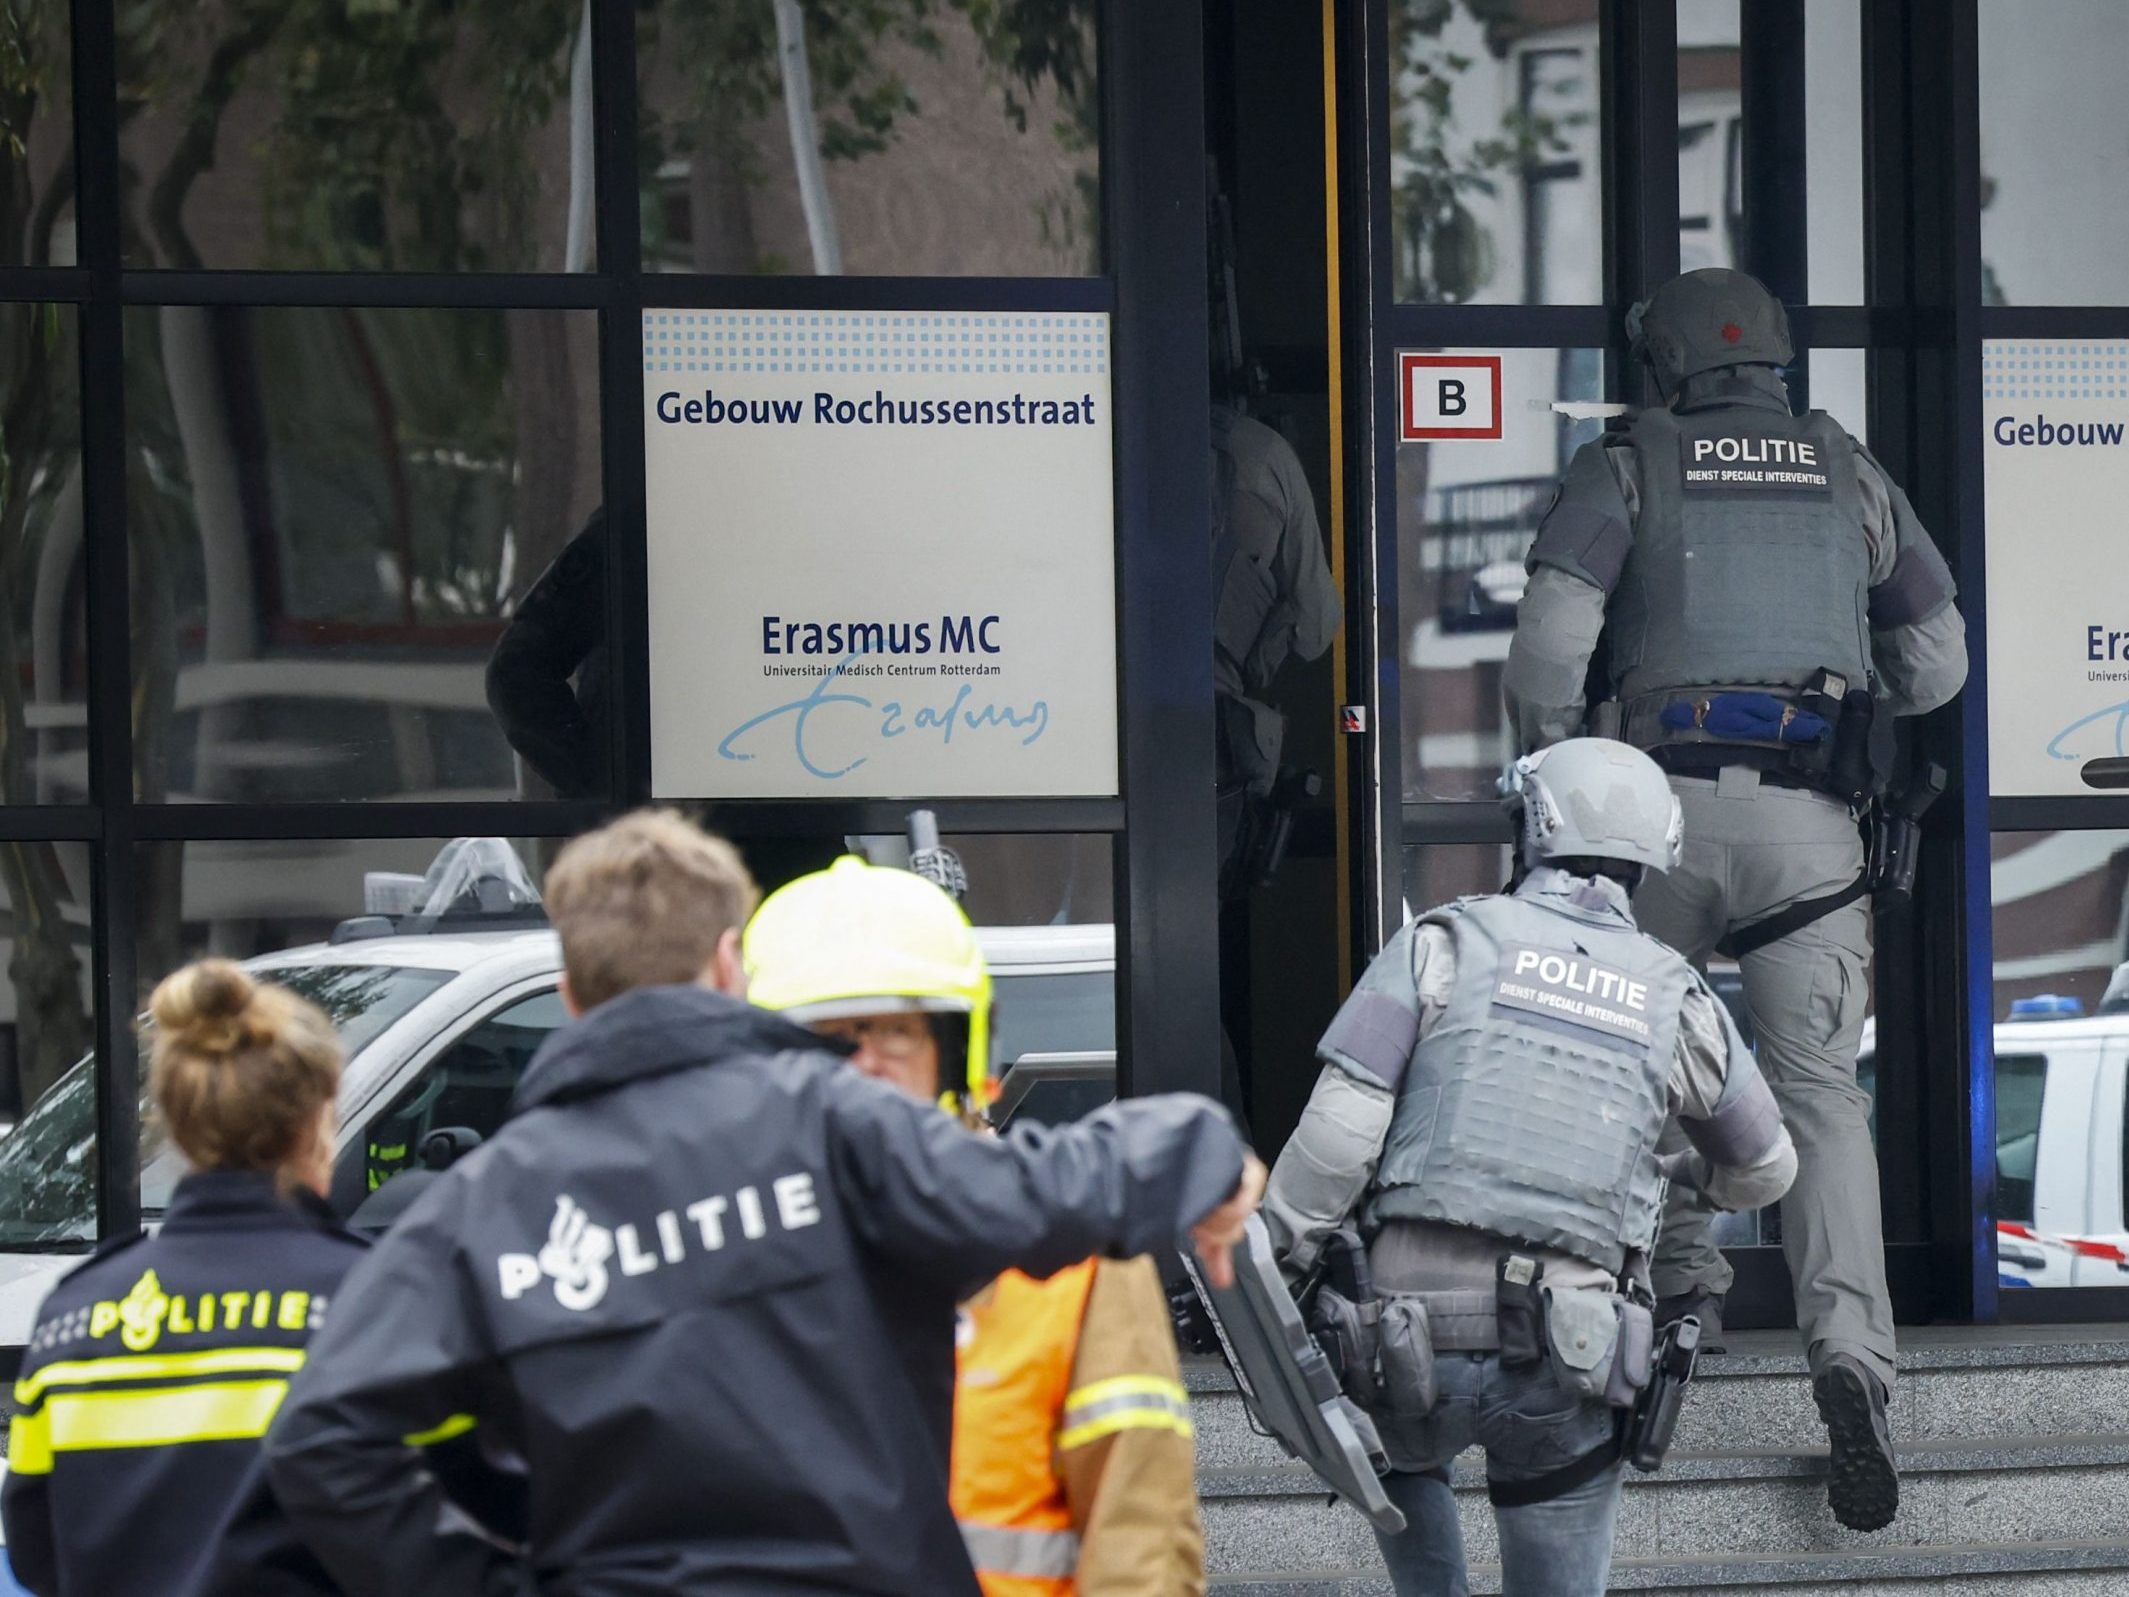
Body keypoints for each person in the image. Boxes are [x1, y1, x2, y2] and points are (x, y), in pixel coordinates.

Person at [263, 810, 1264, 1596]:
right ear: (729, 968)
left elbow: (321, 1437)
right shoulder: (834, 1127)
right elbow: (1047, 1190)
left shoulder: (481, 1205)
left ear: (569, 992)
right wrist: (1204, 1145)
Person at [1501, 267, 1968, 1531]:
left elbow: (1549, 642)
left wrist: (1560, 762)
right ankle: (1851, 1367)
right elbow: (1937, 663)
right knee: (1817, 1094)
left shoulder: (1628, 465)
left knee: (1625, 1071)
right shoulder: (1843, 473)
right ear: (1775, 362)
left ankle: (1652, 1313)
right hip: (1809, 837)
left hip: (1648, 824)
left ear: (1661, 366)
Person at [1264, 738, 1797, 1597]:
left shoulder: (1439, 943)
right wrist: (1677, 1174)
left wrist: (1274, 1260)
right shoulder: (1675, 996)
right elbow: (1766, 1167)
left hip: (1403, 1337)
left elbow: (1336, 1139)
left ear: (1531, 832)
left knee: (1403, 1466)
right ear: (1650, 856)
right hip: (1568, 1348)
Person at [744, 855, 1205, 1596]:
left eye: (896, 1030)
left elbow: (1138, 1547)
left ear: (958, 1054)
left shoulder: (1069, 1254)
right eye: (829, 1038)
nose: (865, 1065)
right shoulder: (723, 1244)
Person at [4, 963, 400, 1594]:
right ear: (316, 1121)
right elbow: (447, 1527)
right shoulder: (373, 1301)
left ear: (175, 1125)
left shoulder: (72, 1320)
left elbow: (34, 1555)